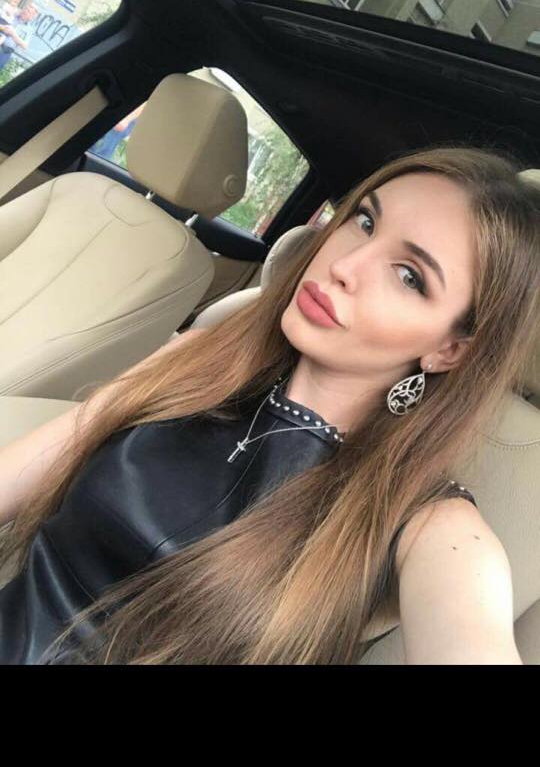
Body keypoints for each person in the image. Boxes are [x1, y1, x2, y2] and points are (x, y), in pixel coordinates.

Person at [0, 144, 538, 665]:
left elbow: (468, 637)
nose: (347, 263)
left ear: (449, 350)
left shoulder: (429, 523)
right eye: (365, 221)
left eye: (409, 277)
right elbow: (37, 460)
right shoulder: (203, 354)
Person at [0, 3, 38, 70]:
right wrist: (3, 28)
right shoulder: (11, 15)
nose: (25, 11)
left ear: (32, 17)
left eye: (28, 11)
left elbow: (25, 46)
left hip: (5, 52)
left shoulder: (29, 29)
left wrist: (13, 34)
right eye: (26, 9)